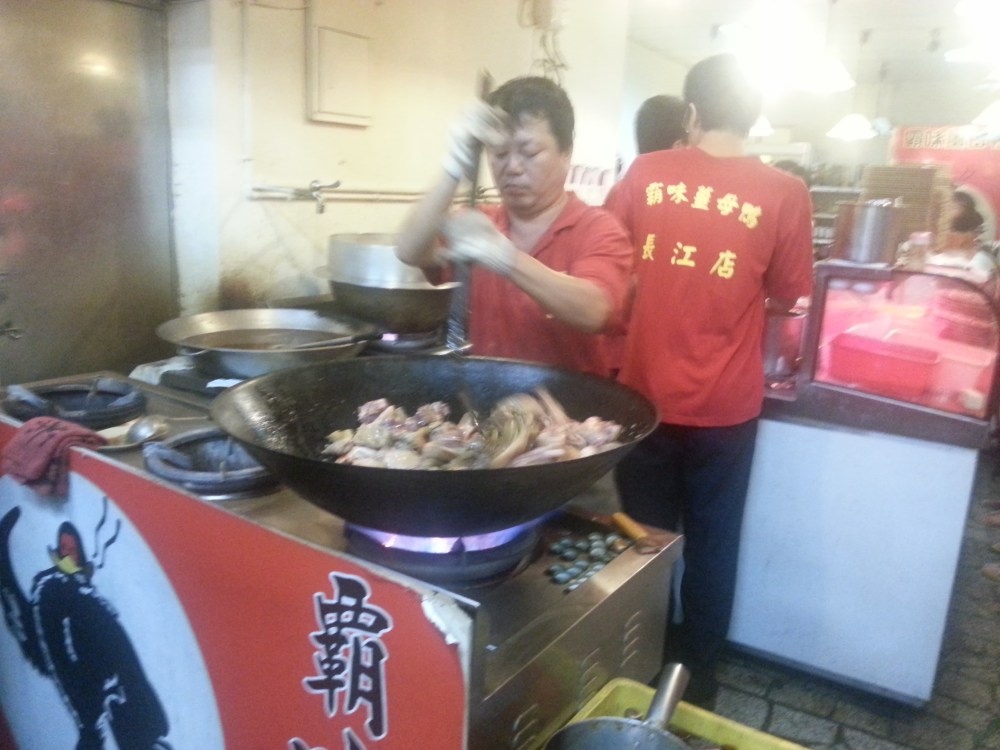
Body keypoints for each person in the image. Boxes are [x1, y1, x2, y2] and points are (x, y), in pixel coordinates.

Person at [603, 53, 815, 707]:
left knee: (641, 545)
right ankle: (697, 686)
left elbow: (606, 257)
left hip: (643, 403)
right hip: (727, 411)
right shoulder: (785, 192)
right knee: (714, 549)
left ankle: (633, 668)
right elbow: (789, 293)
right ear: (752, 117)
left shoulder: (645, 174)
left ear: (691, 113)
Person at [395, 76, 632, 377]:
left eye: (529, 153)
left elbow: (595, 311)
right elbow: (410, 250)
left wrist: (507, 258)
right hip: (485, 408)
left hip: (567, 414)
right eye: (499, 153)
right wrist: (453, 167)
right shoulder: (479, 223)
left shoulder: (598, 229)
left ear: (566, 153)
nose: (513, 167)